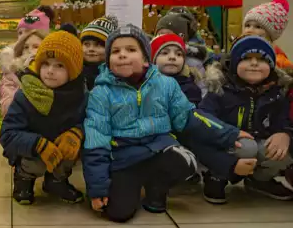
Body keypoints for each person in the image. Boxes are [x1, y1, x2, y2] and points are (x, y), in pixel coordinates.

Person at [83, 24, 244, 223]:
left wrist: (230, 134)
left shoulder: (166, 85)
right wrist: (97, 188)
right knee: (118, 213)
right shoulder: (101, 93)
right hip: (123, 157)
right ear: (108, 61)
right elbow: (95, 141)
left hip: (158, 149)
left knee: (185, 161)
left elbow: (190, 118)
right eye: (115, 51)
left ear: (145, 59)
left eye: (131, 50)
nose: (122, 55)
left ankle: (156, 188)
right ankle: (132, 184)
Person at [200, 35, 293, 202]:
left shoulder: (277, 93)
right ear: (235, 63)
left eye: (262, 59)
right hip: (228, 142)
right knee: (247, 147)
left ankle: (259, 180)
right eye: (247, 58)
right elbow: (204, 118)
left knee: (280, 151)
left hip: (259, 141)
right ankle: (216, 177)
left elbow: (283, 119)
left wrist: (284, 133)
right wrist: (229, 134)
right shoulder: (221, 90)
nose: (255, 63)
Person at [0, 31, 87, 205]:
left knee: (71, 147)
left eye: (60, 66)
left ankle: (56, 181)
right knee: (35, 163)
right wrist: (37, 144)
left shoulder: (80, 95)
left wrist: (77, 133)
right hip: (33, 150)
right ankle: (24, 178)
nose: (50, 71)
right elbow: (7, 133)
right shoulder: (27, 95)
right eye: (45, 64)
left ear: (74, 70)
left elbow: (88, 121)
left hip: (60, 148)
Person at [0, 30, 47, 117]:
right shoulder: (11, 74)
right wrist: (25, 75)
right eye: (26, 47)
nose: (30, 51)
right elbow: (7, 109)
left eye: (35, 47)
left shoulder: (50, 73)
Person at [151, 34, 203, 105]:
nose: (172, 57)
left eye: (178, 54)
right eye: (165, 53)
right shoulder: (144, 86)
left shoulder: (191, 90)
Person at [242, 0, 291, 69]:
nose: (250, 30)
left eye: (258, 27)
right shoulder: (239, 52)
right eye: (247, 25)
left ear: (270, 34)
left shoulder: (280, 60)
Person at [79, 16, 118, 91]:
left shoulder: (116, 76)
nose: (91, 49)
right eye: (86, 44)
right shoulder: (74, 73)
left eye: (98, 45)